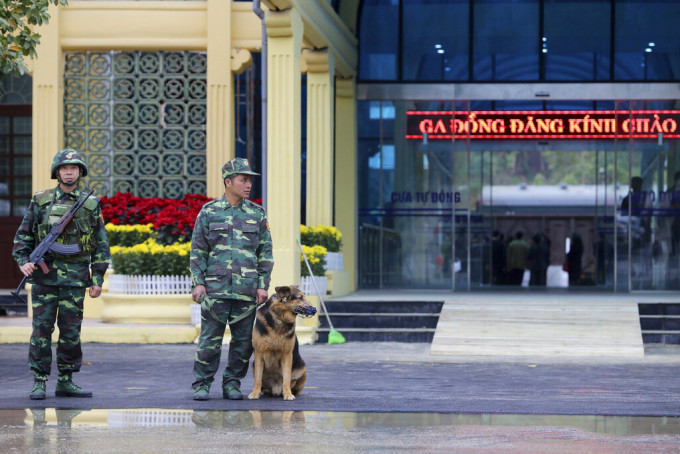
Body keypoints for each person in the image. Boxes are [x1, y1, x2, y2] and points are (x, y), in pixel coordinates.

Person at [12, 149, 111, 400]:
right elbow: (23, 236)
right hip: (45, 279)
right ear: (57, 172)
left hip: (75, 279)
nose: (69, 172)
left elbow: (100, 244)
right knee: (41, 331)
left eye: (74, 168)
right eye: (65, 168)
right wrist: (24, 261)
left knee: (71, 331)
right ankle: (39, 380)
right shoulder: (41, 200)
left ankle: (66, 380)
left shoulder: (90, 203)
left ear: (80, 172)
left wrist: (97, 278)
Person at [190, 158, 274, 401]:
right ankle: (202, 384)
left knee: (243, 344)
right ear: (228, 182)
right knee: (209, 342)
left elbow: (265, 253)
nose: (248, 185)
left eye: (249, 180)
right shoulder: (209, 212)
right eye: (243, 179)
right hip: (215, 290)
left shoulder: (257, 214)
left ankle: (232, 384)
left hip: (246, 291)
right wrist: (198, 282)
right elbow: (198, 250)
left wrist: (262, 286)